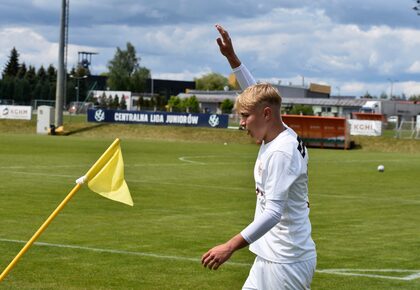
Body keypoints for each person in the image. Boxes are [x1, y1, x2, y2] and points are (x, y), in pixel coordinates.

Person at [201, 25, 316, 290]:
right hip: (270, 257)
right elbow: (256, 92)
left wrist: (229, 247)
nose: (241, 123)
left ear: (266, 115)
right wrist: (232, 57)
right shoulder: (278, 129)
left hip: (286, 262)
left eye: (244, 117)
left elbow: (273, 212)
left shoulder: (281, 152)